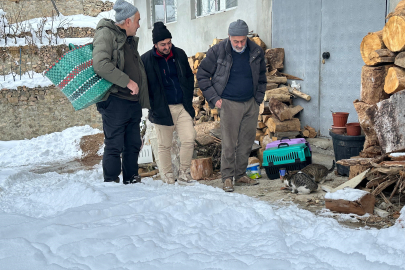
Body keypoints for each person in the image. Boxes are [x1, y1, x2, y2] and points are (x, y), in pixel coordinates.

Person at [197, 19, 267, 192]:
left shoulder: (256, 51)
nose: (239, 44)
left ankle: (240, 174)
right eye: (235, 41)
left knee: (246, 142)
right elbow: (202, 75)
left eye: (242, 40)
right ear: (229, 37)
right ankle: (227, 177)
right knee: (229, 143)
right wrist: (214, 99)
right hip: (228, 103)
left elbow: (263, 77)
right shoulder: (218, 51)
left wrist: (257, 99)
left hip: (250, 103)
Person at [92, 0, 150, 184]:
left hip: (131, 102)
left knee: (133, 144)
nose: (139, 25)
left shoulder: (128, 39)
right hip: (115, 100)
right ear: (128, 21)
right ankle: (111, 182)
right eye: (138, 21)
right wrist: (128, 82)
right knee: (114, 145)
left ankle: (132, 178)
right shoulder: (106, 34)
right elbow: (100, 64)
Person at [141, 22, 196, 185]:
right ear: (155, 44)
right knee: (164, 145)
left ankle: (184, 173)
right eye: (163, 44)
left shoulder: (179, 54)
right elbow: (144, 86)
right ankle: (168, 176)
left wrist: (188, 95)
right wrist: (153, 105)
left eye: (169, 43)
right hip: (162, 109)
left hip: (182, 106)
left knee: (189, 139)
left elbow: (188, 76)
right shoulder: (146, 60)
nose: (167, 47)